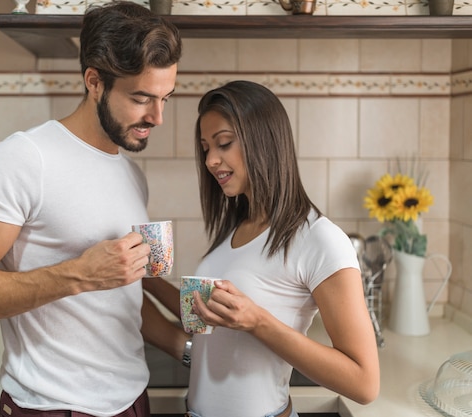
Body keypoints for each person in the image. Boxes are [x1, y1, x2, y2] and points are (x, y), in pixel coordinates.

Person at [0, 2, 188, 417]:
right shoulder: (23, 159)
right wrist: (79, 274)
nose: (157, 117)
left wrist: (189, 350)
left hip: (132, 402)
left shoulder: (132, 176)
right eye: (141, 98)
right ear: (94, 82)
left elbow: (119, 297)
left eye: (165, 98)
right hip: (51, 407)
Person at [144, 80, 380, 417]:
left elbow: (364, 383)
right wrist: (142, 278)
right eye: (206, 147)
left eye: (223, 143)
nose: (211, 160)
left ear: (264, 142)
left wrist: (257, 322)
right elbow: (202, 318)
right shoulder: (236, 229)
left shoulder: (319, 240)